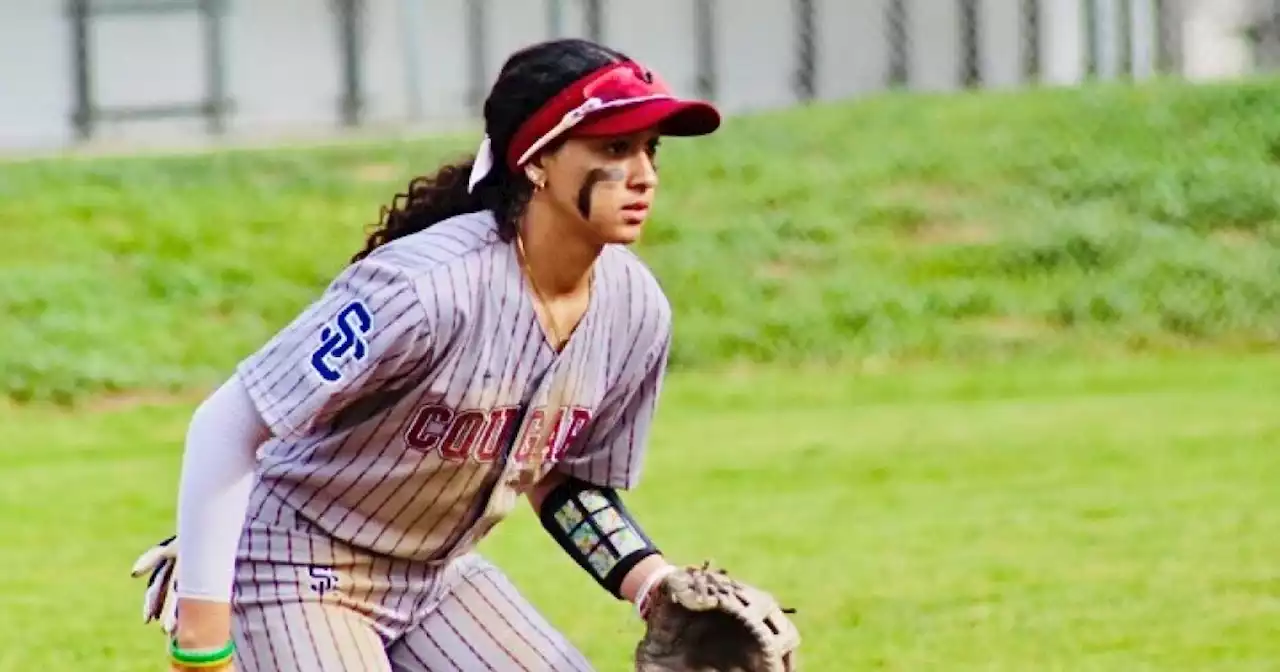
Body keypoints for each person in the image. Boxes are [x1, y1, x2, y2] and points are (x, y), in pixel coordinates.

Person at [141, 37, 724, 671]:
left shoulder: (635, 309)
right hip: (294, 565)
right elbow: (228, 424)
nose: (644, 175)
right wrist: (201, 637)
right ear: (536, 162)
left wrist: (652, 585)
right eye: (614, 147)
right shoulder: (427, 287)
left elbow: (563, 479)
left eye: (650, 148)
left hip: (437, 577)